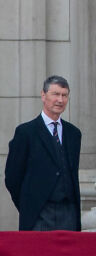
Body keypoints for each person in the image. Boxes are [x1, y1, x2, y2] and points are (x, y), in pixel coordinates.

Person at [5, 75, 82, 231]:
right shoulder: (26, 132)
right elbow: (13, 177)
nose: (60, 100)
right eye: (55, 94)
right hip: (39, 214)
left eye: (64, 95)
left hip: (69, 213)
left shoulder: (74, 133)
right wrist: (29, 205)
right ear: (43, 95)